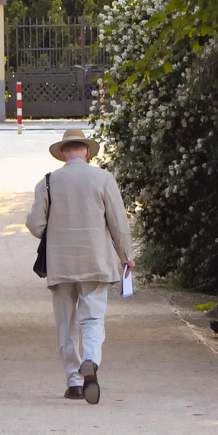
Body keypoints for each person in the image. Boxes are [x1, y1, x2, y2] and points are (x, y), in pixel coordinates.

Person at [25, 127, 133, 404]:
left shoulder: (48, 182)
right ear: (86, 152)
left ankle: (73, 382)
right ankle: (91, 360)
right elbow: (118, 224)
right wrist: (126, 256)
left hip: (60, 265)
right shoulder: (103, 179)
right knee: (93, 319)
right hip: (96, 261)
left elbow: (36, 225)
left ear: (62, 153)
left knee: (66, 323)